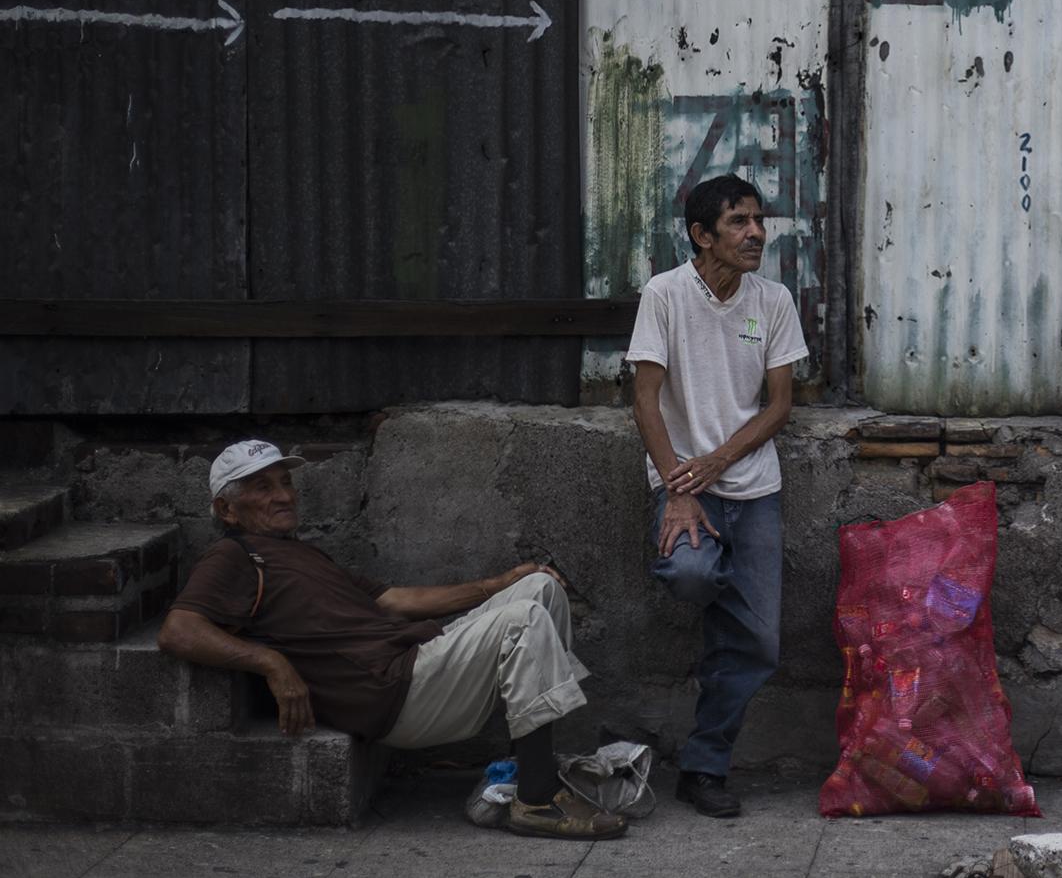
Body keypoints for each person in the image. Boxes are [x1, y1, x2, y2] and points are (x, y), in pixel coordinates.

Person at [157, 439, 625, 841]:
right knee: (522, 619)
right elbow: (179, 630)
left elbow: (395, 600)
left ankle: (517, 772)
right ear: (226, 508)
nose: (284, 496)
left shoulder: (300, 553)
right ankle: (537, 802)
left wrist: (498, 582)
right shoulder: (233, 556)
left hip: (415, 658)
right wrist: (271, 662)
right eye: (263, 488)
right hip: (390, 693)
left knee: (539, 588)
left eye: (285, 483)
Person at [627, 172, 809, 818]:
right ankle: (720, 619)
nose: (755, 232)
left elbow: (780, 403)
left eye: (758, 219)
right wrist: (680, 487)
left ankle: (704, 767)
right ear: (702, 235)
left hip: (754, 488)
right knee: (689, 574)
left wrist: (718, 460)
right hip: (687, 490)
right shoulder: (665, 295)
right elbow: (645, 397)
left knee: (760, 646)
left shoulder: (773, 300)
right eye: (738, 221)